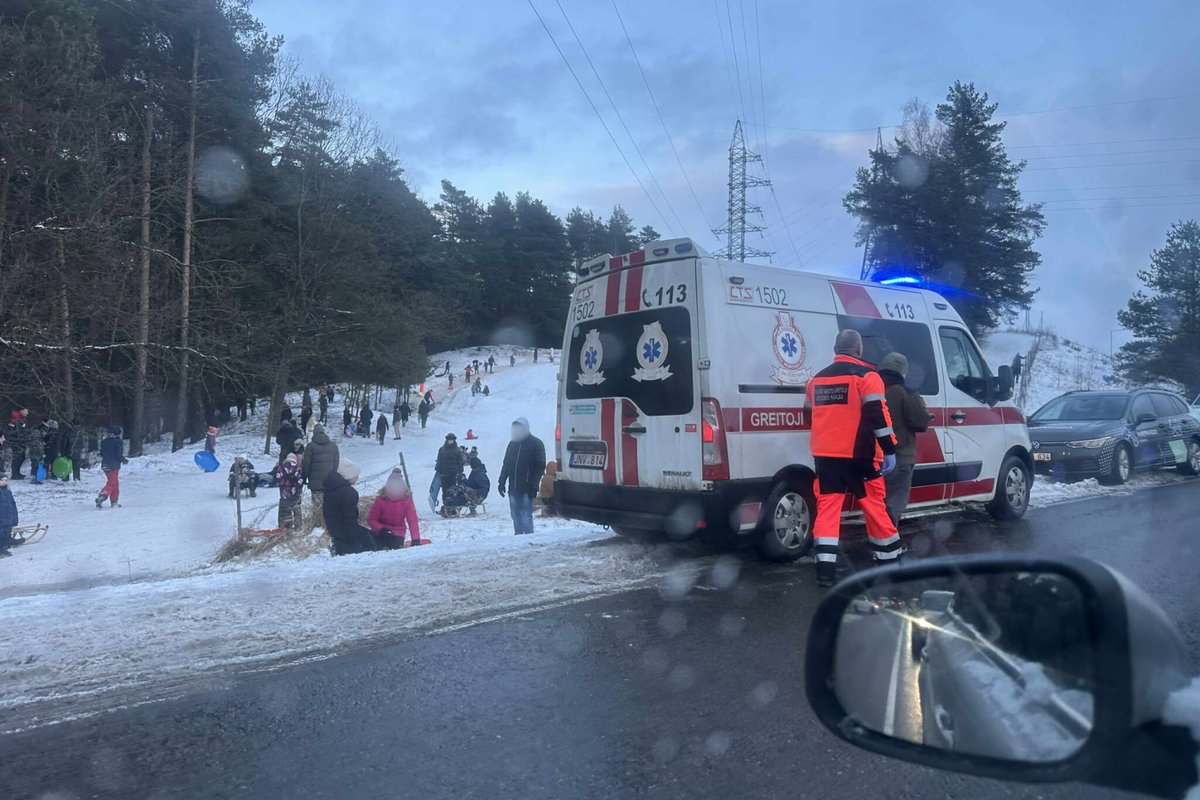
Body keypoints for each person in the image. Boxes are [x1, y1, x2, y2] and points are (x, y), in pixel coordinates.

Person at [807, 330, 901, 587]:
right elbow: (877, 416)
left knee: (827, 511)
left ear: (835, 348)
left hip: (826, 455)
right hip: (861, 455)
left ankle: (825, 572)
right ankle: (889, 563)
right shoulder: (868, 377)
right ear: (859, 349)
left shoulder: (816, 380)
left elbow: (809, 416)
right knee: (873, 507)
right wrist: (890, 448)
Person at [879, 352, 930, 527]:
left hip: (873, 457)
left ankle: (879, 542)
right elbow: (921, 421)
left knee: (877, 505)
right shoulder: (905, 392)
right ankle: (889, 547)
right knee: (893, 505)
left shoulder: (871, 389)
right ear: (902, 372)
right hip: (900, 457)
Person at [498, 417, 546, 535]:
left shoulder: (536, 443)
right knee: (515, 515)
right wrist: (502, 481)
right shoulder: (512, 444)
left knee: (526, 515)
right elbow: (506, 464)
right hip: (513, 487)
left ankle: (528, 538)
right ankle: (518, 537)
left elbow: (540, 466)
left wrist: (534, 484)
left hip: (527, 487)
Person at [322, 459, 377, 556]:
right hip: (346, 533)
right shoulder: (349, 493)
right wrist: (358, 538)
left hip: (334, 531)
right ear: (349, 475)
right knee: (370, 539)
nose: (358, 477)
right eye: (356, 474)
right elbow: (350, 519)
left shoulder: (331, 489)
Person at [368, 468, 422, 549]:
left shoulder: (406, 500)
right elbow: (371, 519)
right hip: (381, 531)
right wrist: (381, 529)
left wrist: (416, 539)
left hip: (398, 532)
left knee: (394, 545)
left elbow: (412, 520)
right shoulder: (380, 500)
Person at [302, 424, 340, 527]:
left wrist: (304, 477)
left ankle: (318, 524)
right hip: (329, 482)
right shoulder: (333, 446)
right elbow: (336, 463)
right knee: (328, 504)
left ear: (314, 433)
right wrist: (333, 477)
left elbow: (306, 464)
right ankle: (328, 524)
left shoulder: (311, 446)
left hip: (315, 483)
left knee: (317, 505)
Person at [95, 425, 127, 509]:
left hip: (105, 464)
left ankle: (114, 502)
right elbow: (118, 454)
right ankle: (102, 496)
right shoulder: (118, 442)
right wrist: (123, 460)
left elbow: (102, 453)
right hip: (113, 465)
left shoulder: (104, 441)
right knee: (112, 483)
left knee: (114, 483)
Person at [434, 433, 466, 515]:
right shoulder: (442, 450)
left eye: (452, 440)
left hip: (453, 474)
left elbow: (460, 462)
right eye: (449, 439)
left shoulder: (457, 450)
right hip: (444, 474)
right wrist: (438, 469)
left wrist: (460, 472)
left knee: (453, 491)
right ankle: (445, 507)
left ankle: (452, 508)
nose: (450, 441)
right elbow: (439, 460)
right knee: (445, 491)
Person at [277, 452, 304, 529]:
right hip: (295, 493)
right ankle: (298, 526)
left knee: (284, 510)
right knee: (297, 509)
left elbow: (278, 478)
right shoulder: (298, 468)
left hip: (284, 494)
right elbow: (300, 480)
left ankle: (285, 526)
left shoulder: (281, 468)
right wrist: (298, 489)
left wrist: (284, 484)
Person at [0, 475, 17, 557]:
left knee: (7, 533)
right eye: (2, 480)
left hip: (8, 517)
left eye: (6, 480)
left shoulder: (8, 492)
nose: (4, 482)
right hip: (1, 518)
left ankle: (4, 548)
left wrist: (14, 518)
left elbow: (13, 505)